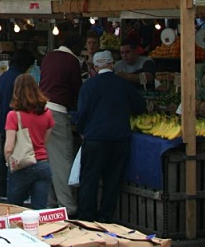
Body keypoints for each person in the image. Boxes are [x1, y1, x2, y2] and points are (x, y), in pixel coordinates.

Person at [76, 51, 147, 222]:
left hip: (95, 139)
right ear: (112, 64)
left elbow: (82, 113)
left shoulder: (89, 85)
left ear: (95, 67)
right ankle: (106, 218)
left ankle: (87, 218)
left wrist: (82, 130)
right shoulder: (123, 84)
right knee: (113, 181)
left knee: (89, 179)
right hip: (119, 139)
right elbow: (140, 106)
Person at [38, 32, 82, 215]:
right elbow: (76, 90)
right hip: (58, 112)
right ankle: (68, 207)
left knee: (48, 159)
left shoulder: (49, 57)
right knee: (63, 161)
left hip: (42, 111)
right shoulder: (72, 61)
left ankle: (50, 202)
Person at [4, 73, 54, 209]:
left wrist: (8, 162)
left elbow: (9, 147)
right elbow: (45, 140)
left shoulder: (13, 116)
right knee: (40, 210)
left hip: (22, 165)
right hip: (42, 164)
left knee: (15, 209)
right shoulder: (47, 113)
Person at [0, 49, 34, 199]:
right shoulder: (22, 79)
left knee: (4, 157)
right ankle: (18, 192)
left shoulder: (4, 76)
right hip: (19, 124)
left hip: (3, 121)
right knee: (20, 158)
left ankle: (3, 191)